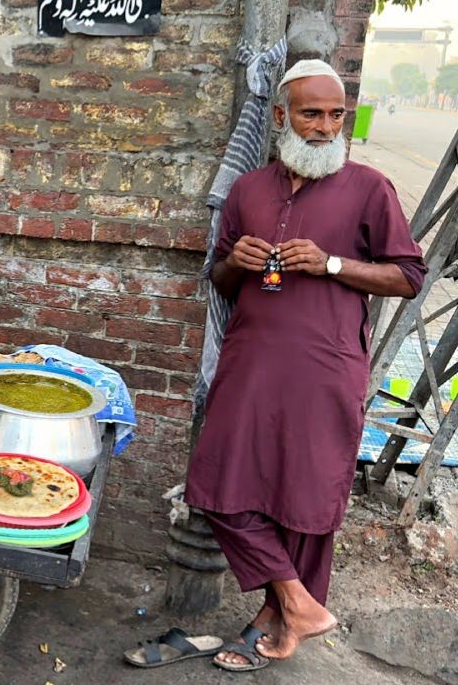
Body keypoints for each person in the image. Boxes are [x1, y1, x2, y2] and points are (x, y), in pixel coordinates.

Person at [184, 59, 426, 670]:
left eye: (336, 115)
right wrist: (236, 261)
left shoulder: (368, 187)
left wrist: (331, 264)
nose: (325, 127)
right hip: (252, 359)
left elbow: (409, 276)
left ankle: (277, 621)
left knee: (307, 498)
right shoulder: (248, 191)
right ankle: (301, 603)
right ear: (280, 116)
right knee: (216, 484)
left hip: (326, 364)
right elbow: (220, 278)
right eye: (311, 113)